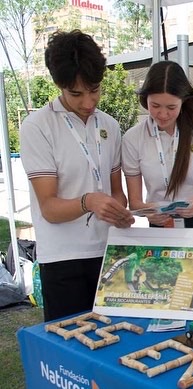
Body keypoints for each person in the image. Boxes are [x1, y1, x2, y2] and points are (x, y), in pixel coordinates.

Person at [20, 30, 134, 321]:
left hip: (110, 254)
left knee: (117, 342)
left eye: (94, 89)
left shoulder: (108, 124)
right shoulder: (38, 126)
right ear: (59, 85)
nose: (88, 102)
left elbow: (115, 190)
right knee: (71, 351)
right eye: (76, 93)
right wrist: (89, 201)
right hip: (63, 259)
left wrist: (119, 211)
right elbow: (49, 208)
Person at [122, 60, 193, 280]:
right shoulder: (132, 139)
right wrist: (149, 212)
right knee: (166, 295)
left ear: (184, 102)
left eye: (171, 107)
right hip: (161, 226)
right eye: (155, 106)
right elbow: (135, 202)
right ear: (144, 99)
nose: (162, 114)